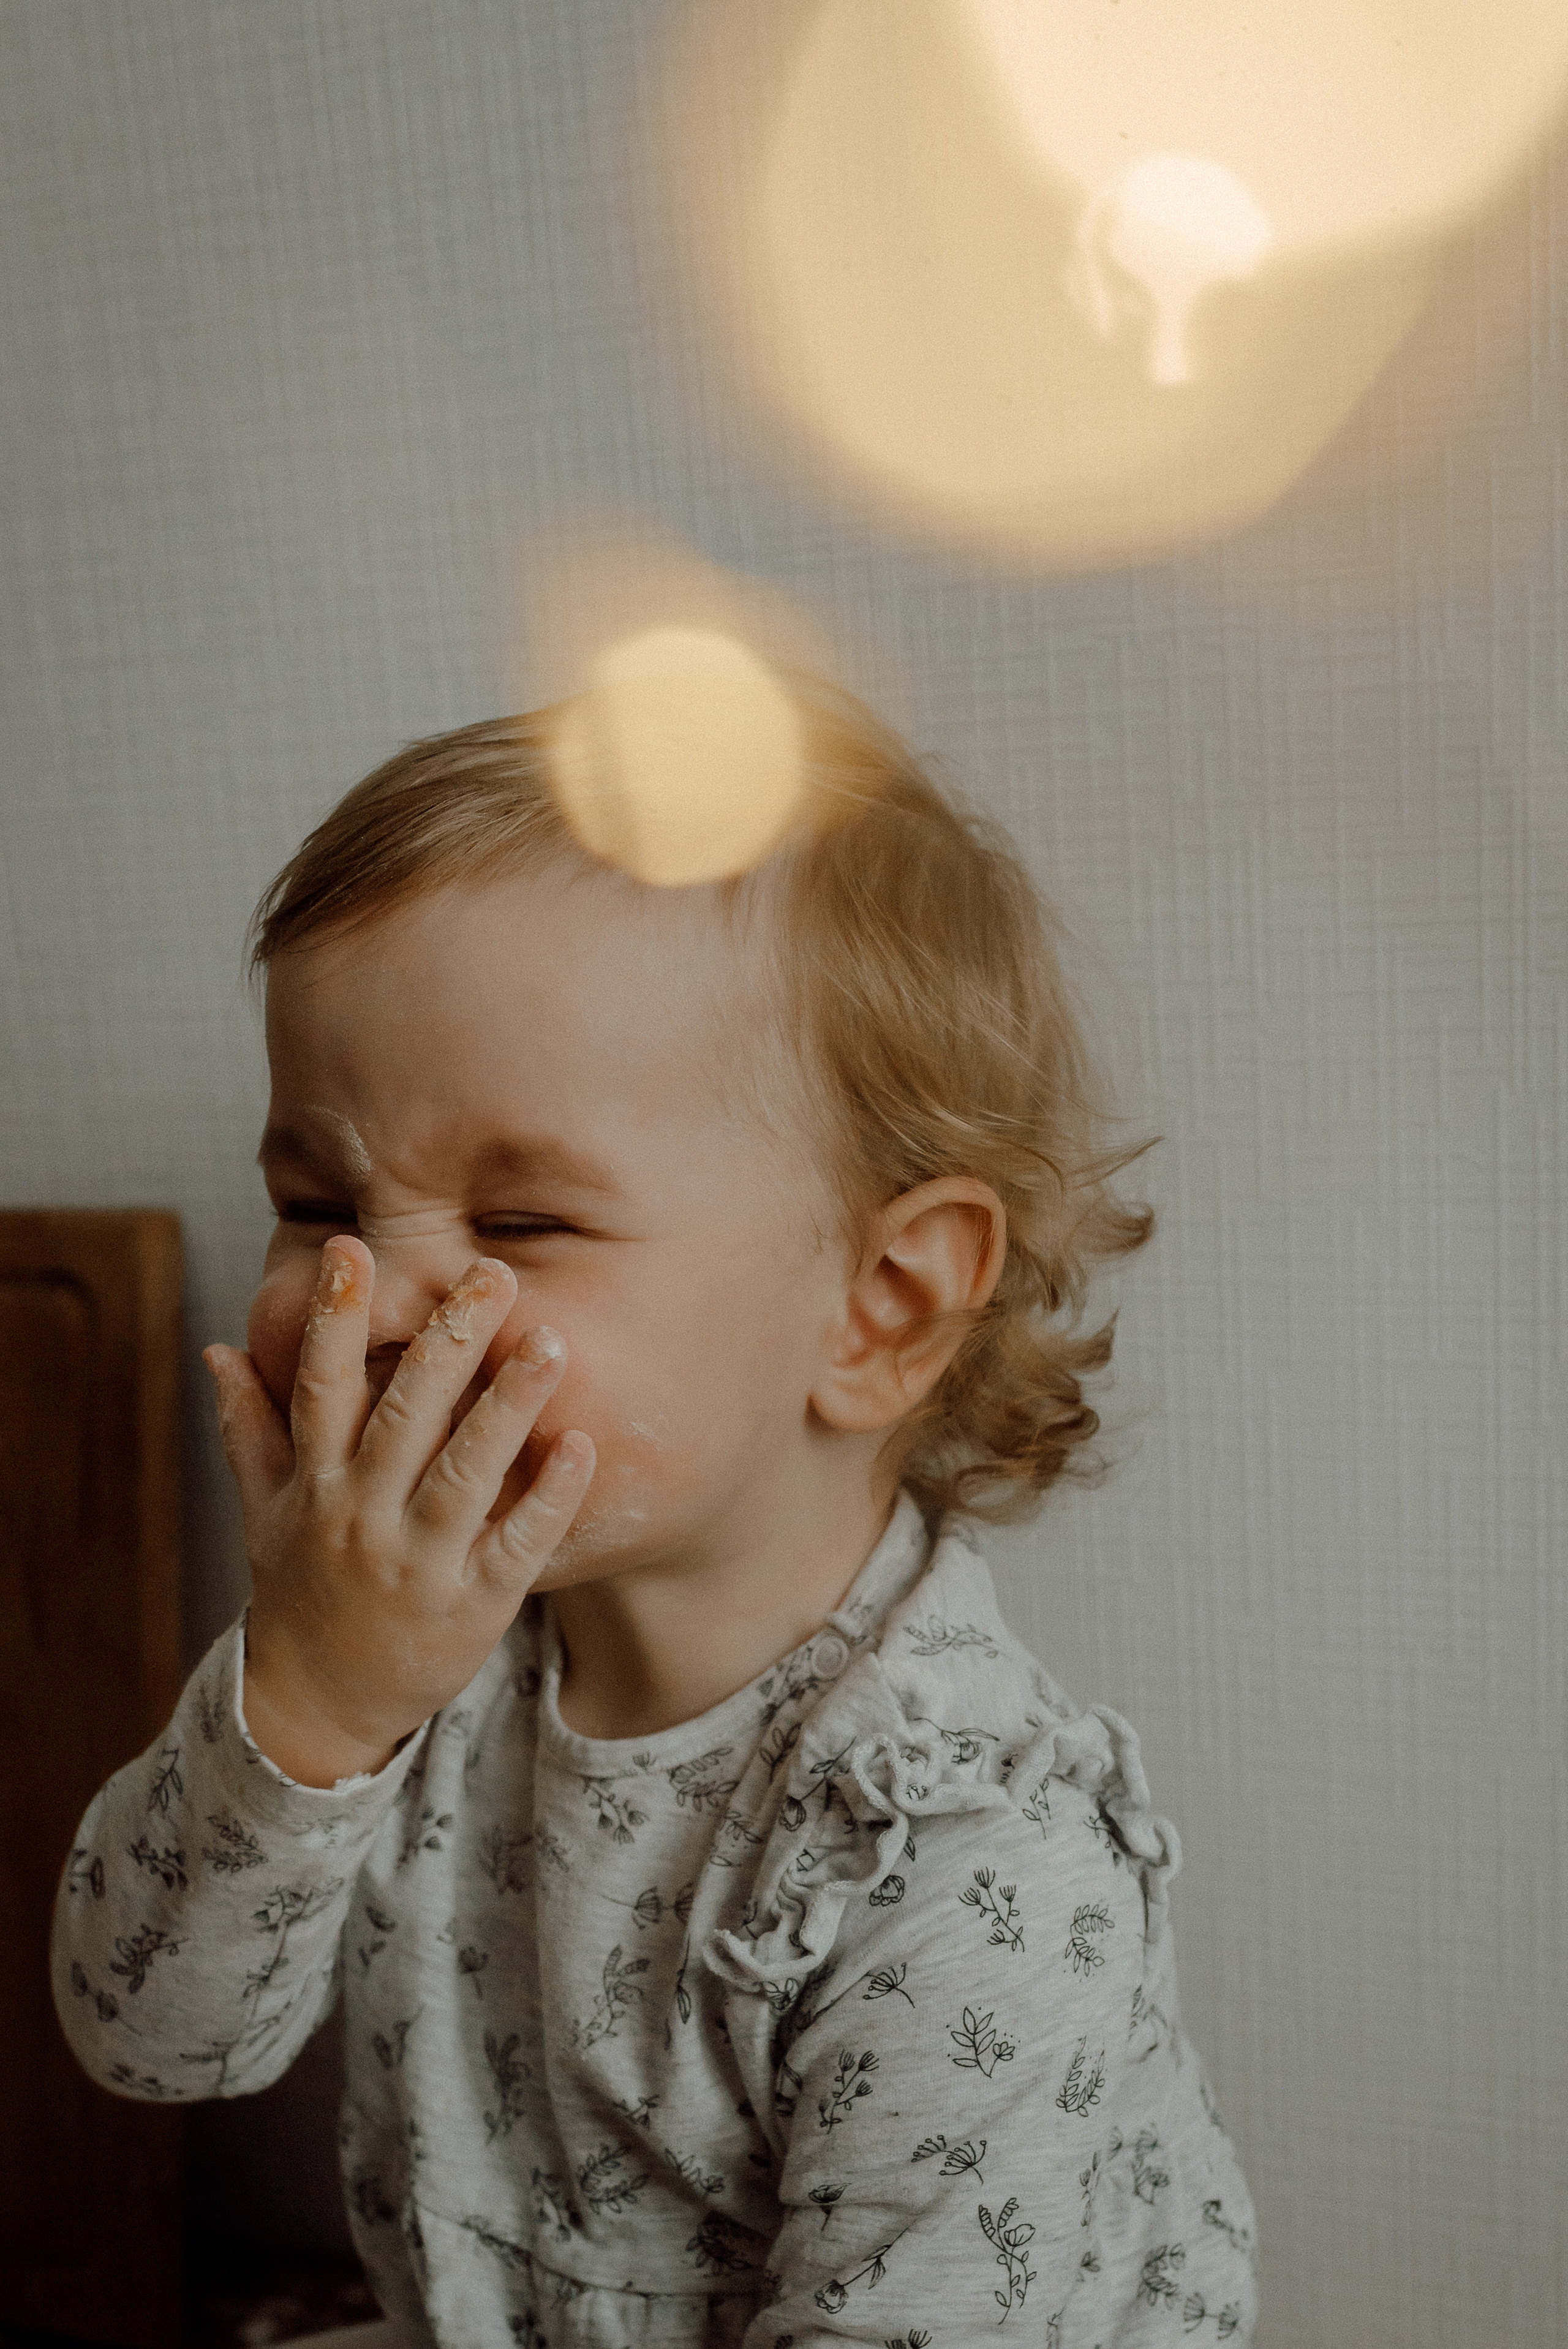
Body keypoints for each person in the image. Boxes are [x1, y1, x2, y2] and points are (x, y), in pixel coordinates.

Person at [52, 682, 1257, 2346]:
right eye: (314, 1202)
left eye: (525, 1216)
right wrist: (314, 1706)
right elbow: (149, 2035)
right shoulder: (401, 1645)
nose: (373, 1291)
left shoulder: (968, 1857)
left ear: (883, 1305)